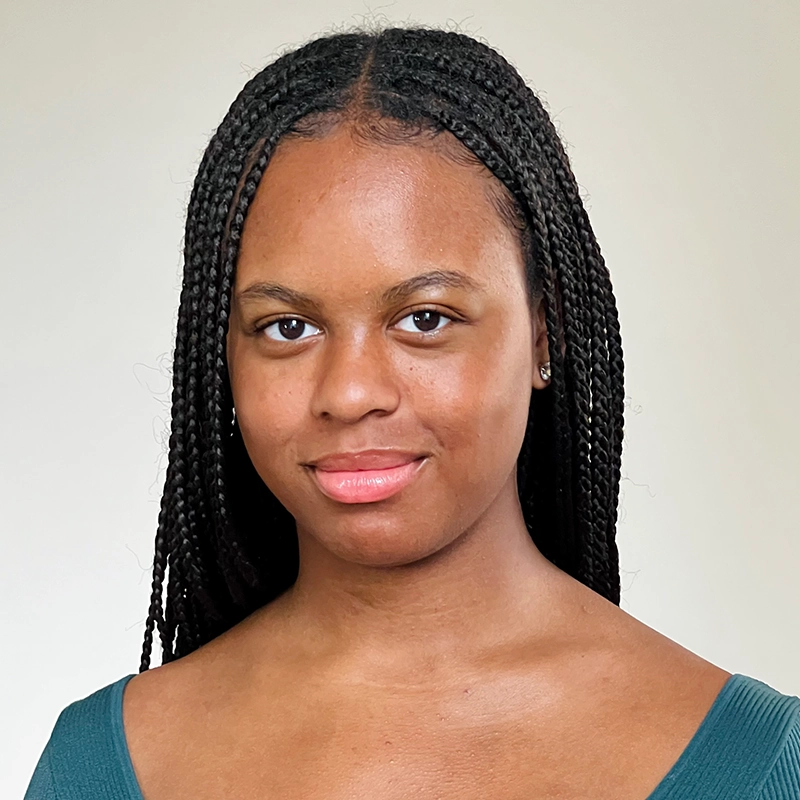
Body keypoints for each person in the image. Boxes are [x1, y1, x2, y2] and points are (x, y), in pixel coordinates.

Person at [25, 24, 799, 800]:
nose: (350, 392)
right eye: (287, 328)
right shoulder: (100, 766)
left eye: (425, 319)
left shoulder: (760, 763)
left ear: (544, 330)